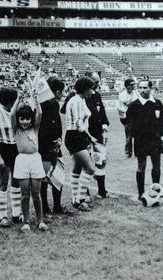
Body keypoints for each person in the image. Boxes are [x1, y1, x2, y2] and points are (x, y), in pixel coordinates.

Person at [121, 80, 163, 200]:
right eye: (140, 88)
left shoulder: (157, 103)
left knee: (156, 166)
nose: (142, 90)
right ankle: (141, 193)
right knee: (141, 166)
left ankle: (155, 189)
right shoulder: (134, 104)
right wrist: (122, 116)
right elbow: (126, 121)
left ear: (150, 88)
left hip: (155, 139)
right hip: (141, 140)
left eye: (145, 88)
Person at [11, 90, 47, 232]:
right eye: (22, 119)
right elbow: (13, 114)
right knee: (25, 194)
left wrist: (36, 100)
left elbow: (40, 114)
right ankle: (26, 221)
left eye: (27, 119)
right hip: (22, 161)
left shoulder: (35, 128)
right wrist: (18, 99)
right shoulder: (16, 130)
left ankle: (40, 221)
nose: (24, 122)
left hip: (35, 160)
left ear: (31, 120)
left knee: (36, 194)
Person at [38, 78, 72, 217]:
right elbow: (41, 130)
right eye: (62, 92)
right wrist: (51, 144)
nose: (63, 94)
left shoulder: (55, 105)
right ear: (57, 92)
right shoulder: (43, 106)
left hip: (55, 146)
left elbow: (57, 125)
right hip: (45, 148)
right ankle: (45, 208)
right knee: (44, 179)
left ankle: (57, 206)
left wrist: (59, 140)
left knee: (59, 176)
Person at [62, 77, 95, 211]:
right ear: (85, 89)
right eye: (90, 89)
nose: (92, 92)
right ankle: (80, 199)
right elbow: (77, 123)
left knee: (77, 169)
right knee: (90, 168)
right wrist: (89, 136)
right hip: (75, 136)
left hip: (79, 136)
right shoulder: (75, 101)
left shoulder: (81, 100)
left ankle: (76, 199)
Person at [0, 88, 22, 228]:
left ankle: (16, 214)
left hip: (17, 148)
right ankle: (3, 216)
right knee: (3, 181)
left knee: (17, 181)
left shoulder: (17, 111)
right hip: (3, 147)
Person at [85, 72, 110, 199]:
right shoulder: (81, 97)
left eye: (98, 82)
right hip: (84, 136)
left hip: (98, 135)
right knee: (86, 163)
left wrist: (104, 128)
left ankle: (102, 190)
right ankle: (85, 192)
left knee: (100, 162)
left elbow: (103, 115)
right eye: (95, 82)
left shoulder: (97, 95)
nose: (97, 85)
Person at [117, 78, 138, 158]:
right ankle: (128, 153)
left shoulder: (136, 93)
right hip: (127, 117)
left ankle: (137, 151)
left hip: (135, 116)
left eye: (134, 84)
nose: (133, 86)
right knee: (129, 136)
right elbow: (128, 104)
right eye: (131, 85)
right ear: (127, 86)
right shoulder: (122, 95)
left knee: (137, 135)